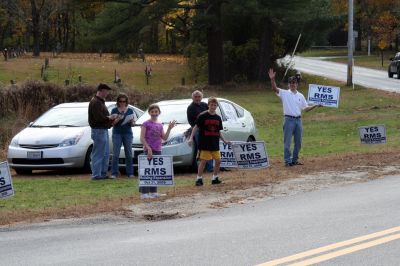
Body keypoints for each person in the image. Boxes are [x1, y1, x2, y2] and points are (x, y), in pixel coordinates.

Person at [268, 68, 321, 166]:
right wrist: (272, 79)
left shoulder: (300, 95)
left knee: (298, 142)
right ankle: (287, 161)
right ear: (288, 84)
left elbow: (305, 109)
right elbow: (275, 88)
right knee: (287, 142)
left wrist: (316, 105)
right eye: (291, 82)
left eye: (294, 82)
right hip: (288, 120)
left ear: (297, 84)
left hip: (298, 120)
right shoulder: (284, 93)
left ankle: (295, 160)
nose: (293, 84)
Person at [187, 97, 230, 186]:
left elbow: (218, 131)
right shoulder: (202, 116)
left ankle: (215, 178)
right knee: (203, 161)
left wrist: (224, 140)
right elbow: (195, 127)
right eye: (211, 105)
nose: (213, 106)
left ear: (217, 106)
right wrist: (191, 138)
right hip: (205, 143)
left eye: (215, 105)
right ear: (208, 105)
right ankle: (199, 179)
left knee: (218, 161)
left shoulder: (218, 118)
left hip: (214, 142)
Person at [140, 104, 176, 199]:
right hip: (149, 150)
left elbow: (164, 137)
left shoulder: (160, 125)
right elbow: (142, 138)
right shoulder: (145, 123)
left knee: (155, 171)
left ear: (159, 113)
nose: (154, 113)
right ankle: (144, 193)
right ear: (149, 112)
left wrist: (169, 128)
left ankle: (153, 191)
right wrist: (148, 148)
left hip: (158, 149)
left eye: (156, 111)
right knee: (147, 171)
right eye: (152, 111)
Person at [88, 83, 116, 180]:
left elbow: (101, 119)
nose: (107, 93)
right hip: (98, 130)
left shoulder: (100, 101)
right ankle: (96, 175)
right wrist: (110, 117)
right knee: (98, 153)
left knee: (105, 153)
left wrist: (111, 121)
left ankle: (102, 174)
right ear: (101, 91)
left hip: (102, 130)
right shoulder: (95, 102)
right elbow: (98, 118)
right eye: (106, 91)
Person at [186, 90, 214, 172]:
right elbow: (200, 119)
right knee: (203, 149)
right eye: (195, 97)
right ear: (192, 98)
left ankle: (210, 167)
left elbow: (211, 113)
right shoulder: (191, 108)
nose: (197, 98)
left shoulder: (205, 105)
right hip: (198, 130)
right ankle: (208, 167)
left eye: (199, 96)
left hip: (209, 129)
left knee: (211, 147)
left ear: (202, 97)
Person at [110, 93, 135, 179]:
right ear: (118, 102)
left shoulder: (130, 110)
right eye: (120, 101)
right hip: (117, 133)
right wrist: (118, 119)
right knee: (115, 153)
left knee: (128, 153)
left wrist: (131, 121)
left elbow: (133, 124)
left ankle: (130, 173)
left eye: (124, 101)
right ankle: (114, 173)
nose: (122, 103)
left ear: (126, 102)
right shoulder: (114, 110)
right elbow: (112, 123)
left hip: (128, 133)